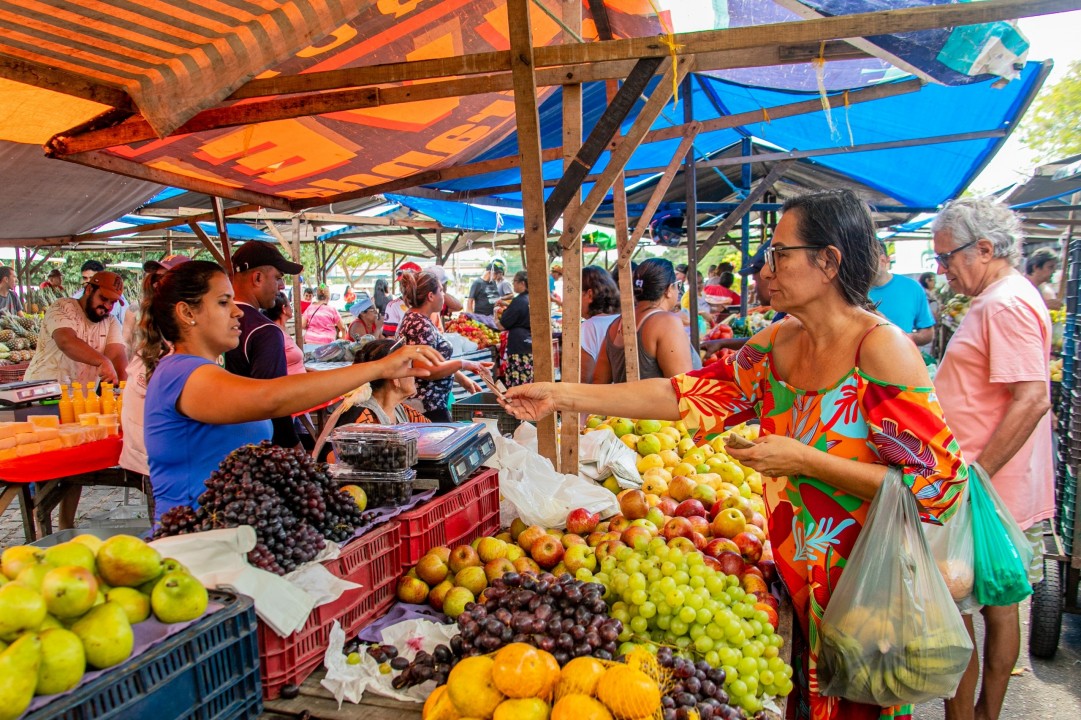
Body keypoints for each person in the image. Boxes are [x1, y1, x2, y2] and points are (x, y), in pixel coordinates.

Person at [501, 189, 968, 720]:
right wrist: (562, 395)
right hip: (796, 591)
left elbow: (941, 488)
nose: (766, 270)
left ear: (829, 261)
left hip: (865, 599)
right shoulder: (779, 344)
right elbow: (682, 396)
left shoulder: (882, 351)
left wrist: (805, 460)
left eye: (779, 253)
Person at [139, 260, 443, 523]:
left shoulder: (207, 372)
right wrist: (378, 368)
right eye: (223, 302)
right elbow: (272, 398)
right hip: (193, 542)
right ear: (186, 312)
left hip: (236, 532)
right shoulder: (179, 374)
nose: (238, 313)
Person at [932, 198, 1054, 720]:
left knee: (957, 606)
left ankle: (974, 715)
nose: (942, 270)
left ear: (984, 248)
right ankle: (982, 715)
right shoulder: (1002, 298)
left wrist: (976, 475)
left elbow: (1032, 397)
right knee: (999, 606)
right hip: (989, 486)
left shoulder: (1004, 304)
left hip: (983, 491)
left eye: (947, 257)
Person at [26, 271, 129, 530]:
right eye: (103, 298)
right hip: (44, 398)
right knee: (47, 465)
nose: (107, 306)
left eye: (113, 302)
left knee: (77, 462)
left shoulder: (110, 322)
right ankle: (41, 525)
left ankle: (66, 524)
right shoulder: (62, 308)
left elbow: (117, 355)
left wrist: (127, 386)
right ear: (88, 289)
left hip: (79, 400)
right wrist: (101, 361)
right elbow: (65, 340)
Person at [223, 241, 304, 449]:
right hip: (258, 448)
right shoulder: (265, 331)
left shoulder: (213, 324)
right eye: (277, 278)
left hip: (220, 444)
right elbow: (273, 402)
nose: (282, 286)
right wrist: (295, 450)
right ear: (257, 278)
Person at [120, 255, 191, 482]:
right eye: (156, 279)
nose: (159, 284)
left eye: (167, 278)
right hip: (158, 456)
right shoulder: (147, 323)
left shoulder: (185, 330)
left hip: (172, 453)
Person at [396, 270, 490, 421]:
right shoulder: (419, 324)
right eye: (441, 290)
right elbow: (425, 370)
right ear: (430, 296)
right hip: (426, 407)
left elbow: (434, 362)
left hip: (431, 404)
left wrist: (460, 378)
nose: (443, 296)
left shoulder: (417, 319)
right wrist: (462, 364)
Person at [593, 258, 701, 383]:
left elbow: (598, 381)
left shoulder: (616, 325)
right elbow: (683, 386)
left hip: (624, 402)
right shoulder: (667, 323)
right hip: (659, 403)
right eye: (677, 285)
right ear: (669, 289)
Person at [332, 339, 430, 427]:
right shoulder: (362, 420)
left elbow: (432, 433)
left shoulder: (402, 411)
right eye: (410, 368)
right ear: (396, 378)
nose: (415, 376)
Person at [868, 240, 934, 347]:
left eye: (867, 262)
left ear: (883, 260)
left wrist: (903, 338)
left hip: (902, 359)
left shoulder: (912, 288)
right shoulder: (854, 291)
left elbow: (928, 332)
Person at [579, 265, 621, 383]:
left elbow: (584, 380)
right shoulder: (623, 319)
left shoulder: (589, 328)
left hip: (599, 398)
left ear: (589, 295)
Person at [497, 271, 532, 386]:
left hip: (518, 347)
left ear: (522, 283)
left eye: (515, 282)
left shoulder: (519, 300)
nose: (513, 284)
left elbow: (502, 325)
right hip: (530, 344)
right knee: (529, 381)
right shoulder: (531, 299)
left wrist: (495, 315)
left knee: (518, 383)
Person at [73, 260, 126, 324]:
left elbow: (126, 323)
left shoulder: (117, 298)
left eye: (92, 278)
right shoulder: (76, 298)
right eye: (85, 278)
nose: (88, 281)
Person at [265, 293, 306, 376]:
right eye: (289, 305)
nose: (291, 308)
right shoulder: (275, 335)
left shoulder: (280, 332)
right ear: (284, 309)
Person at [384, 262, 421, 336]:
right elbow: (390, 337)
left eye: (408, 283)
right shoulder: (393, 306)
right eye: (401, 283)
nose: (403, 286)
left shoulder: (427, 302)